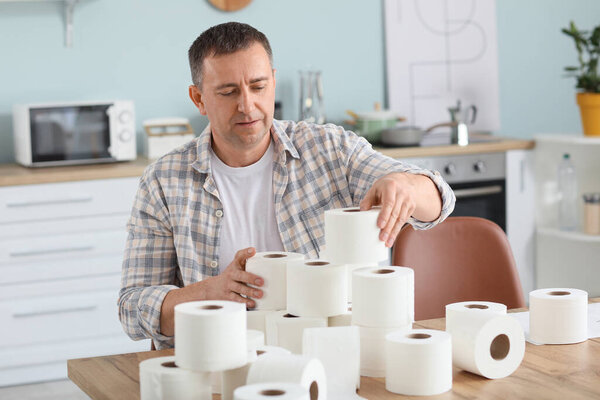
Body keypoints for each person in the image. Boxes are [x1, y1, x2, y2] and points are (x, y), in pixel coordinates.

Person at [118, 22, 455, 349]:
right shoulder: (164, 181)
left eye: (258, 86)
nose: (247, 105)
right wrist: (209, 293)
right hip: (217, 359)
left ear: (274, 83)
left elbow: (440, 200)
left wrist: (407, 186)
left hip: (329, 355)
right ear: (199, 99)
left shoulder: (329, 149)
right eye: (228, 91)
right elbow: (132, 309)